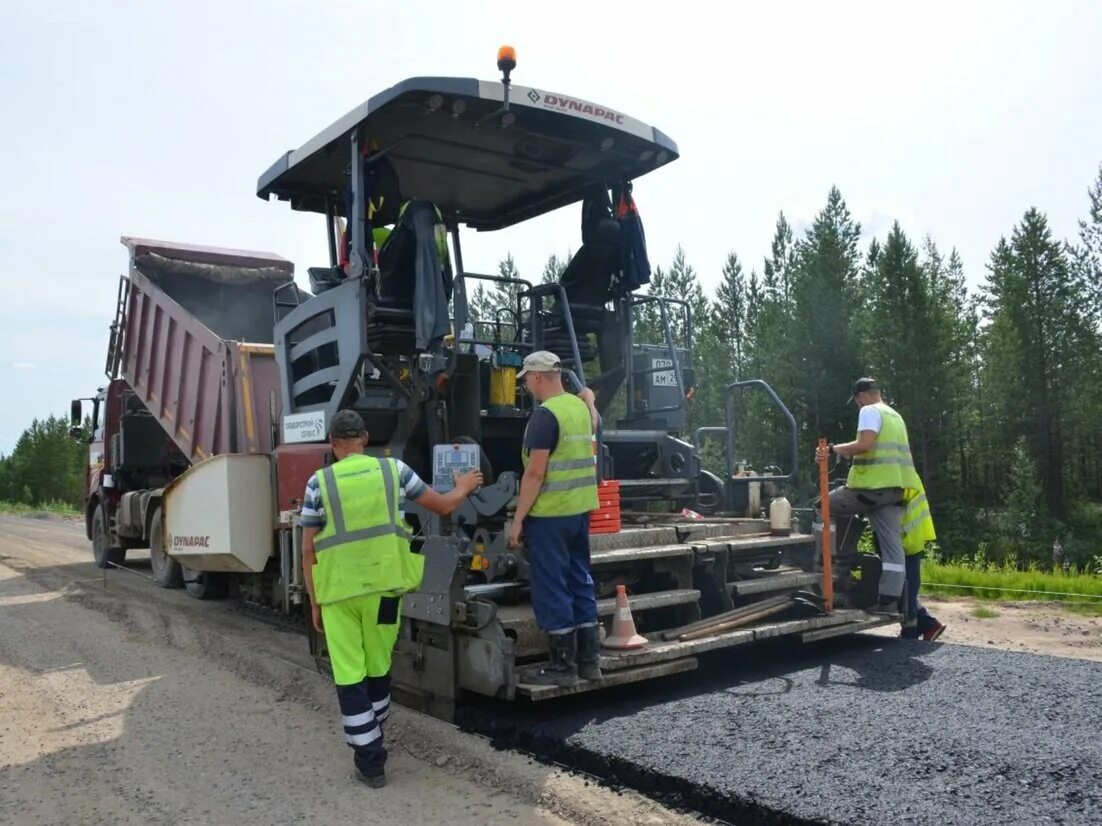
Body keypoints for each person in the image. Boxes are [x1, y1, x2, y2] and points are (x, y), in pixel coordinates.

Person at [300, 409, 482, 788]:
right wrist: (464, 485)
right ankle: (374, 736)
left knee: (349, 673)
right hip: (384, 589)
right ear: (365, 438)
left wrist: (315, 601)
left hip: (338, 594)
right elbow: (445, 505)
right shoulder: (394, 471)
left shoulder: (318, 484)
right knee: (379, 666)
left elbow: (307, 550)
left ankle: (370, 761)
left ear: (333, 445)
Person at [506, 351, 601, 687]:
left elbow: (534, 474)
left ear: (536, 377)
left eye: (527, 379)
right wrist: (589, 399)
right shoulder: (578, 408)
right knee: (580, 580)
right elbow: (594, 421)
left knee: (552, 587)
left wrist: (518, 519)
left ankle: (562, 667)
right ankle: (589, 661)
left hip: (550, 516)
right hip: (579, 512)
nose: (527, 386)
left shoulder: (544, 417)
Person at [815, 378, 920, 613]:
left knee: (823, 505)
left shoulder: (869, 411)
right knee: (893, 548)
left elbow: (865, 444)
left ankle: (833, 564)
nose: (857, 405)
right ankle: (890, 600)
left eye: (856, 401)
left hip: (871, 488)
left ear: (860, 396)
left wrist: (831, 449)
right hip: (895, 490)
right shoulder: (895, 416)